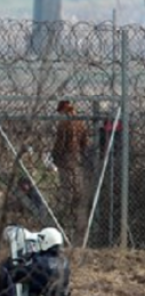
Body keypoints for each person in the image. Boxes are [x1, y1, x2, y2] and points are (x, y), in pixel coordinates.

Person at [52, 100, 90, 240]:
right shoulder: (80, 122)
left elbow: (60, 144)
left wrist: (55, 156)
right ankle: (75, 213)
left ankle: (64, 215)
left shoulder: (64, 124)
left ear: (63, 110)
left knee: (66, 189)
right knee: (77, 189)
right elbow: (85, 142)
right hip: (77, 158)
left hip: (65, 159)